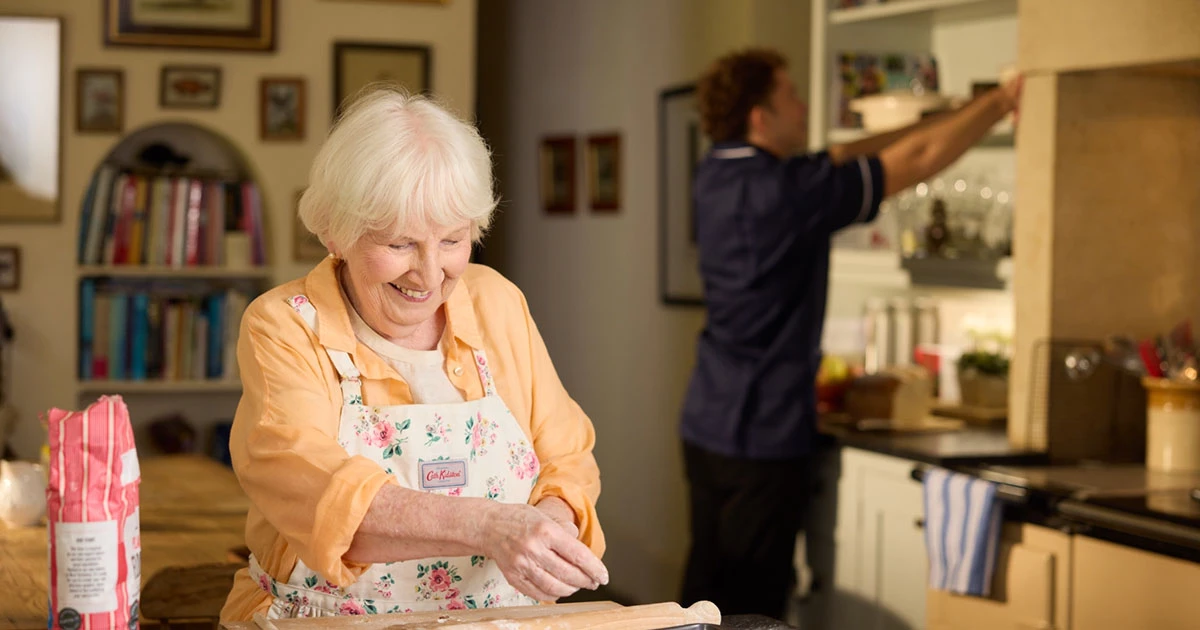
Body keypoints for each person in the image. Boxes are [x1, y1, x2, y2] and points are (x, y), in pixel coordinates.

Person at [221, 87, 609, 621]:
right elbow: (320, 496)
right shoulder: (285, 325)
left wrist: (550, 527)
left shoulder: (496, 300)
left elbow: (566, 458)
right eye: (400, 244)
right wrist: (493, 527)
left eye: (452, 241)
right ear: (336, 231)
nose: (429, 275)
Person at [679, 48, 1021, 619]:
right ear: (760, 117)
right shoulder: (791, 193)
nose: (804, 104)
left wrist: (945, 112)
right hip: (765, 432)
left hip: (708, 418)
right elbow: (917, 159)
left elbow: (836, 155)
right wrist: (1000, 101)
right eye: (790, 95)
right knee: (755, 606)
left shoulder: (717, 172)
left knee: (705, 590)